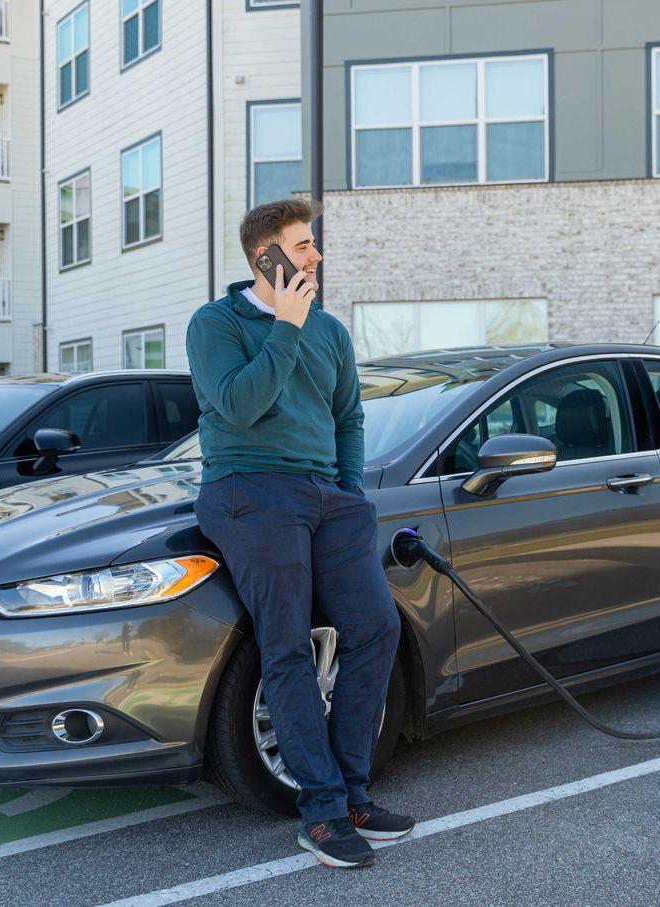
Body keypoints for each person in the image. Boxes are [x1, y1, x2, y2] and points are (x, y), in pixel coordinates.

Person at [186, 199, 414, 868]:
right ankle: (320, 813)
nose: (315, 257)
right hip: (249, 489)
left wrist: (349, 492)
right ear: (267, 258)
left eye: (313, 245)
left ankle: (351, 794)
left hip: (326, 496)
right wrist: (284, 329)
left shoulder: (331, 332)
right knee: (284, 643)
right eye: (303, 245)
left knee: (376, 628)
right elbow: (238, 404)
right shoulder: (216, 324)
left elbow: (348, 417)